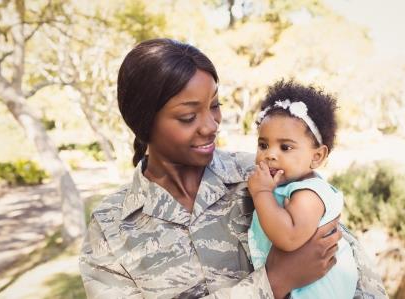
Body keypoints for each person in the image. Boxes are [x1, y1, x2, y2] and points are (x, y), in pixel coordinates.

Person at [79, 38, 387, 299]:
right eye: (188, 117)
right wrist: (273, 282)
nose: (211, 126)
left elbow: (355, 272)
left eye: (214, 105)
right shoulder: (109, 229)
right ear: (144, 123)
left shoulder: (264, 173)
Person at [248, 80, 358, 299]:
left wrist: (261, 194)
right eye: (263, 145)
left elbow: (288, 238)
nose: (270, 154)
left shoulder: (310, 194)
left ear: (317, 156)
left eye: (285, 147)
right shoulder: (289, 187)